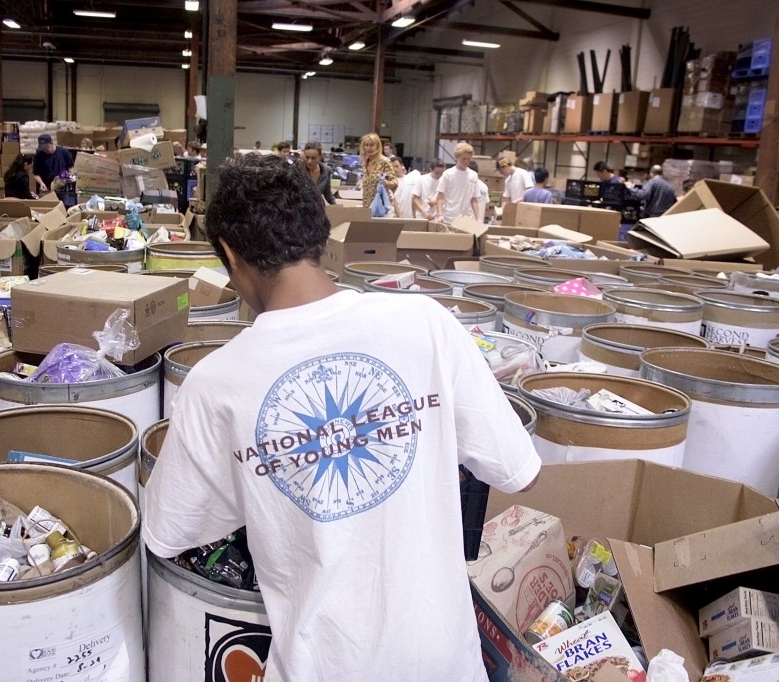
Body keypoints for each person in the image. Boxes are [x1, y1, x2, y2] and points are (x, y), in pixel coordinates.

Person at [142, 153, 541, 681]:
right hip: (445, 661)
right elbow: (517, 468)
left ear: (232, 256)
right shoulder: (426, 324)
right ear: (319, 232)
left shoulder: (216, 382)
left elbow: (169, 532)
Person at [433, 142, 479, 223]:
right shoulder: (448, 174)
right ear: (457, 157)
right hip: (449, 218)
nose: (466, 161)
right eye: (464, 159)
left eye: (469, 159)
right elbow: (440, 197)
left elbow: (474, 199)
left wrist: (478, 218)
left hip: (466, 219)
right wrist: (440, 214)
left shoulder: (473, 175)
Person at [358, 132, 396, 212]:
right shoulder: (365, 162)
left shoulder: (384, 161)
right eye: (366, 145)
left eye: (372, 145)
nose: (369, 148)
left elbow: (395, 182)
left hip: (380, 206)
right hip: (366, 206)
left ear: (377, 146)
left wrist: (387, 183)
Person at [301, 140, 336, 205]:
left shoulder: (326, 171)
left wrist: (337, 207)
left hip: (318, 210)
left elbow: (328, 193)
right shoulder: (297, 170)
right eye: (307, 157)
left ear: (320, 157)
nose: (309, 161)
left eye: (313, 158)